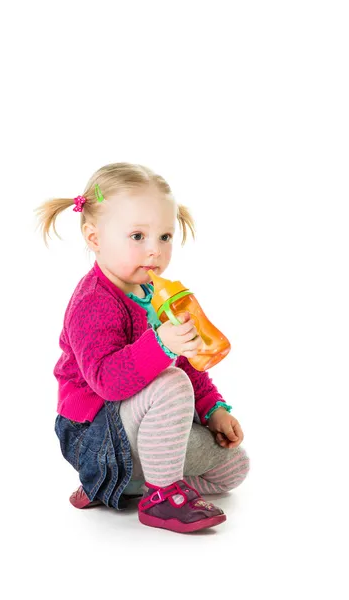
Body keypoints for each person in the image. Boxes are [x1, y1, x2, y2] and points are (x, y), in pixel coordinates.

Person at [34, 162, 250, 533]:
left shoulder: (154, 296)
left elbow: (187, 363)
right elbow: (106, 382)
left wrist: (213, 408)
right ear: (94, 237)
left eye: (165, 237)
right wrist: (161, 344)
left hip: (138, 434)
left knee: (234, 467)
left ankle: (124, 485)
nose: (155, 251)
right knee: (170, 382)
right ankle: (159, 495)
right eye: (138, 236)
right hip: (95, 435)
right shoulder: (93, 302)